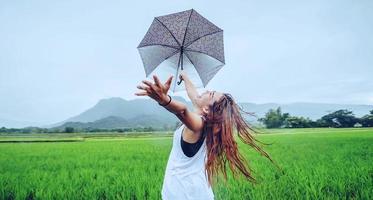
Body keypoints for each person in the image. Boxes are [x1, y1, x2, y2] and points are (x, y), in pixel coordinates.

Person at [135, 71, 279, 200]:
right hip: (192, 191)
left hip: (185, 194)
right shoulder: (205, 121)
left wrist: (164, 100)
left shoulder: (199, 125)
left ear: (205, 109)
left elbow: (183, 111)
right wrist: (184, 76)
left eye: (210, 94)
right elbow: (194, 95)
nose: (207, 91)